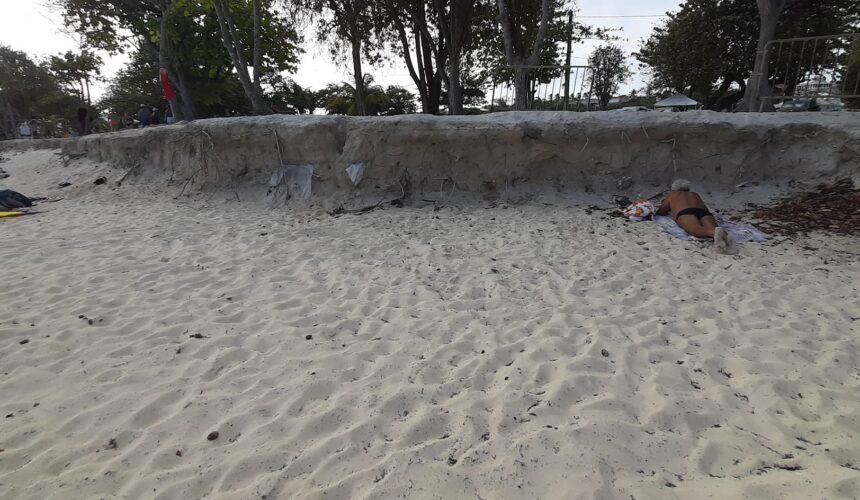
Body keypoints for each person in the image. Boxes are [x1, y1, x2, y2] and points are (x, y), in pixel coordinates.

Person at [657, 179, 735, 253]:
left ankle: (714, 232)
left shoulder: (672, 194)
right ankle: (723, 235)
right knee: (712, 228)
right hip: (704, 212)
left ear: (674, 188)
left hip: (686, 212)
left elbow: (662, 211)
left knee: (696, 230)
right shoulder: (695, 194)